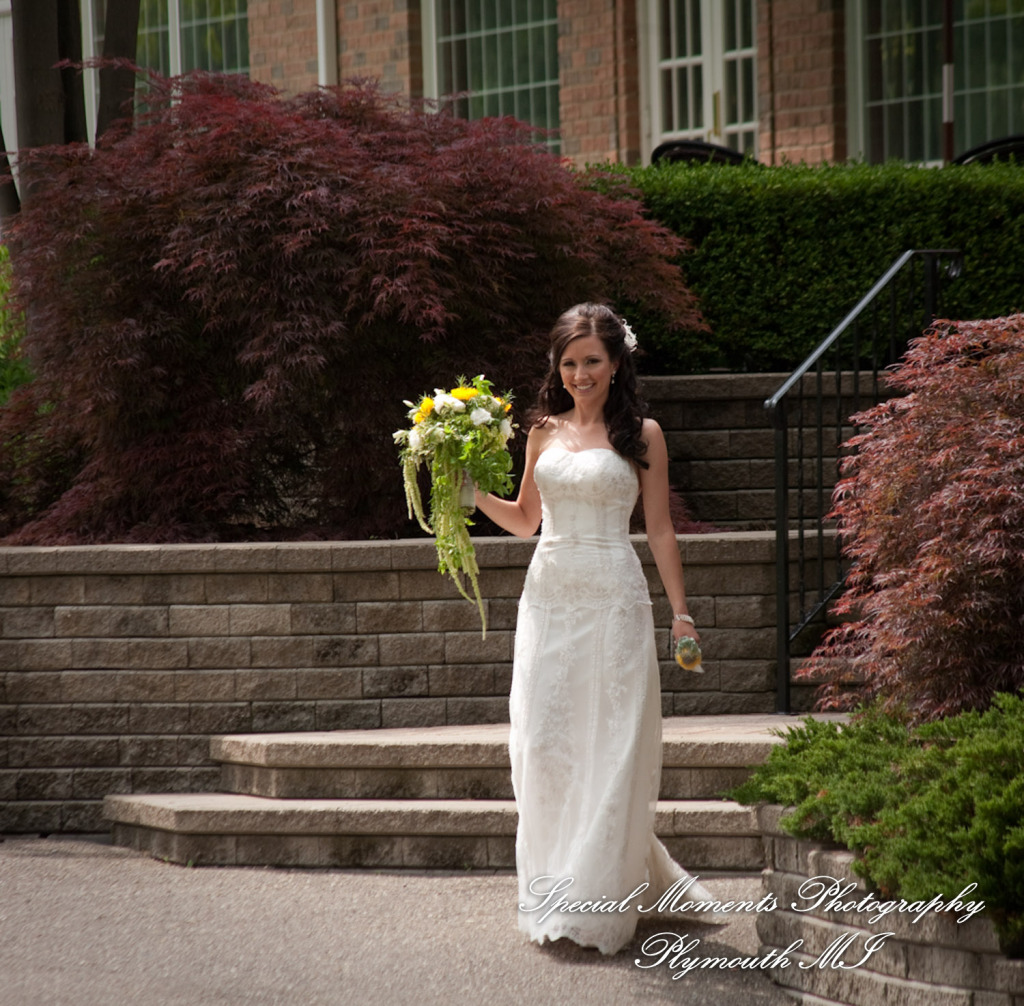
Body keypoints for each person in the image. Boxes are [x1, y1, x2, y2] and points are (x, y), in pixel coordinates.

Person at [473, 303, 722, 955]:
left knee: (609, 747)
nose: (579, 373)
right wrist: (468, 493)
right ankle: (554, 886)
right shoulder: (540, 431)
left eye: (591, 361)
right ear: (557, 367)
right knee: (545, 744)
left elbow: (660, 530)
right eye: (569, 362)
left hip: (614, 598)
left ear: (616, 364)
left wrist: (682, 614)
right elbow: (527, 520)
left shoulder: (643, 434)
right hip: (549, 598)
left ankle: (598, 898)